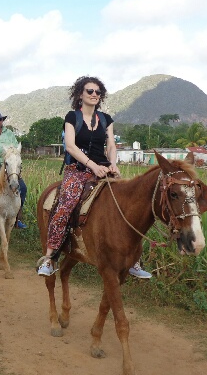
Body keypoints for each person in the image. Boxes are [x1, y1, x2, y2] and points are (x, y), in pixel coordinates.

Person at [37, 76, 120, 276]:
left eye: (98, 92)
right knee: (65, 205)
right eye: (89, 91)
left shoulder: (106, 119)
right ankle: (50, 257)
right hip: (78, 170)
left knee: (127, 203)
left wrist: (113, 164)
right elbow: (71, 147)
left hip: (104, 169)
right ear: (80, 94)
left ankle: (134, 259)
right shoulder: (72, 117)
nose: (94, 95)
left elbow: (110, 146)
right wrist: (92, 165)